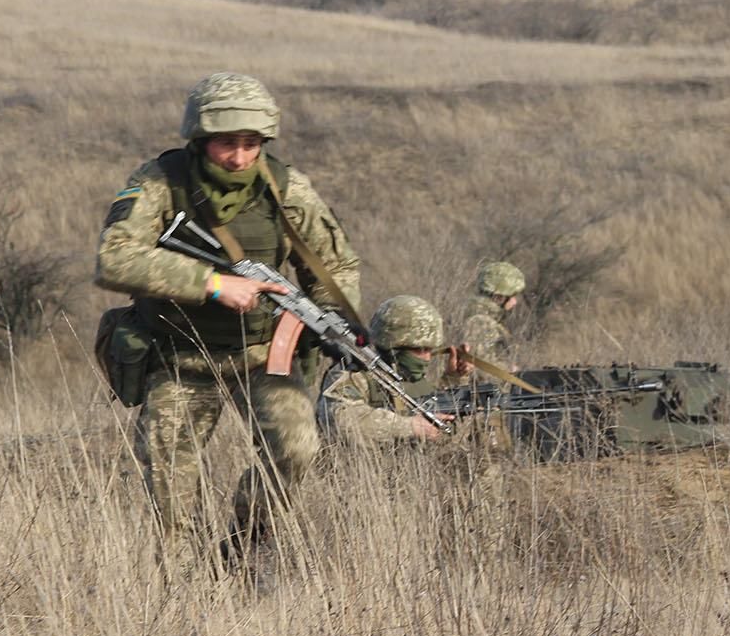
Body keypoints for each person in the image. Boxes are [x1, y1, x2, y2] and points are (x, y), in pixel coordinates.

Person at [95, 72, 361, 574]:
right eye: (226, 144)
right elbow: (114, 259)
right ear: (199, 139)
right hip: (178, 357)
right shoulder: (158, 183)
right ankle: (180, 592)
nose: (239, 158)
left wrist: (335, 321)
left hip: (262, 353)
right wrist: (212, 284)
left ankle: (245, 544)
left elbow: (335, 264)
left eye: (251, 144)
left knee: (297, 447)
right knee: (170, 492)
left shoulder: (285, 188)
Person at [318, 295, 470, 444]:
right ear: (392, 347)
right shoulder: (354, 373)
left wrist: (454, 379)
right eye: (419, 349)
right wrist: (409, 427)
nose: (427, 358)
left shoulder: (409, 377)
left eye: (430, 350)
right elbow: (338, 420)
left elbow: (441, 426)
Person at [460, 261, 525, 371]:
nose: (515, 302)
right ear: (499, 297)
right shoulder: (481, 321)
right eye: (512, 296)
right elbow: (481, 367)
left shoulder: (479, 316)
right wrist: (511, 371)